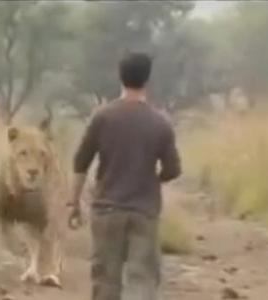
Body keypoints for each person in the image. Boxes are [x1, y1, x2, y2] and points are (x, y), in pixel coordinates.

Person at [67, 52, 181, 300]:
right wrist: (152, 180)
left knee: (106, 280)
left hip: (107, 209)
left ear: (120, 77)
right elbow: (173, 169)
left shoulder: (103, 117)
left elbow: (80, 162)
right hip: (144, 211)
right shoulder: (160, 122)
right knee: (143, 280)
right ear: (147, 80)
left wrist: (74, 203)